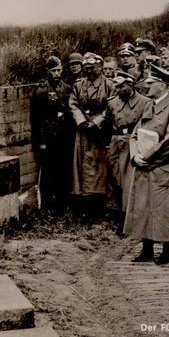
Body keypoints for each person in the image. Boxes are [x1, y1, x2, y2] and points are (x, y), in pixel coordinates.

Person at [123, 64, 169, 265]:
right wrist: (135, 157)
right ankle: (147, 248)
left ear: (163, 85)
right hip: (145, 165)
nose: (146, 86)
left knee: (164, 210)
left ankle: (168, 249)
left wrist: (147, 159)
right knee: (143, 206)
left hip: (162, 167)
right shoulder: (148, 106)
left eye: (151, 83)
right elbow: (134, 134)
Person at [68, 52, 114, 218]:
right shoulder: (78, 85)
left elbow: (112, 105)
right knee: (82, 166)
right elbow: (72, 104)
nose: (89, 71)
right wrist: (81, 121)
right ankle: (84, 206)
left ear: (100, 67)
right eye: (86, 68)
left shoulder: (109, 84)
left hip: (100, 133)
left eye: (93, 68)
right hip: (83, 132)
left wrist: (97, 122)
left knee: (101, 167)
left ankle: (102, 206)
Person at [106, 71, 150, 233]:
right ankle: (119, 213)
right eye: (116, 86)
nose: (118, 89)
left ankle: (128, 218)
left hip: (133, 142)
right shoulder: (112, 103)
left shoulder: (145, 102)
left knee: (129, 182)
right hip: (115, 143)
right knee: (116, 180)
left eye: (121, 86)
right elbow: (108, 123)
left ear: (131, 85)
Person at [30, 56, 73, 211]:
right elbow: (37, 120)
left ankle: (62, 204)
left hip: (64, 138)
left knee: (64, 170)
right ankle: (47, 206)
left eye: (58, 70)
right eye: (53, 71)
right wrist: (41, 141)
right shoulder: (41, 91)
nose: (56, 73)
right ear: (48, 71)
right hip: (48, 139)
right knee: (49, 173)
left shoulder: (67, 88)